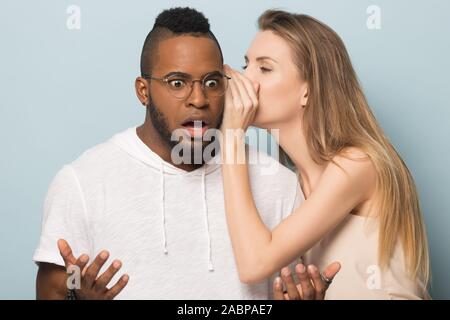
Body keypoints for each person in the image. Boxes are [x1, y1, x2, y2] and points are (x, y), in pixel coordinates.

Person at [34, 7, 338, 300]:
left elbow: (289, 288)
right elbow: (52, 290)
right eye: (177, 83)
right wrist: (78, 297)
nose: (198, 99)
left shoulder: (280, 185)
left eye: (211, 82)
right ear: (143, 91)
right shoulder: (82, 182)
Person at [219, 9, 430, 299]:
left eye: (264, 69)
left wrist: (231, 137)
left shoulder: (358, 164)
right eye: (246, 65)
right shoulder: (289, 185)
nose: (246, 81)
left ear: (308, 90)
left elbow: (254, 264)